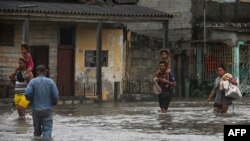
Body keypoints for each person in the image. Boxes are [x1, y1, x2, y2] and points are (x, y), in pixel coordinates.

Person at [25, 65, 59, 140]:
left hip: (36, 109)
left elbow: (27, 94)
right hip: (47, 109)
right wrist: (53, 103)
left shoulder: (32, 82)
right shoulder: (51, 82)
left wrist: (31, 101)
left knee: (37, 131)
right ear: (44, 72)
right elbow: (56, 96)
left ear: (37, 72)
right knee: (47, 130)